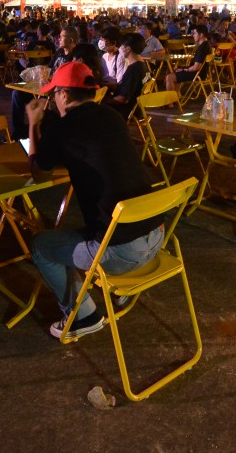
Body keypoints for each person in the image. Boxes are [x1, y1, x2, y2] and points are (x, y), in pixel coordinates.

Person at [26, 61, 165, 340]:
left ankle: (83, 316)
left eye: (54, 94)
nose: (53, 100)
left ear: (64, 95)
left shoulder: (63, 128)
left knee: (42, 246)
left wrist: (33, 124)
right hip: (157, 236)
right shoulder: (112, 116)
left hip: (122, 253)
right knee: (99, 222)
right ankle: (122, 288)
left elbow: (40, 173)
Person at [106, 32, 148, 120]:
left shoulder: (134, 70)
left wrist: (103, 102)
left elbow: (123, 99)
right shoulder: (142, 64)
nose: (120, 48)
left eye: (122, 46)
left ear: (128, 49)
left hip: (125, 110)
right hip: (137, 108)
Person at [165, 24, 211, 94]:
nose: (193, 35)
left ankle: (170, 100)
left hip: (197, 74)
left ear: (201, 35)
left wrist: (184, 69)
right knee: (176, 73)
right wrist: (183, 69)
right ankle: (176, 97)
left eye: (195, 33)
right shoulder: (207, 45)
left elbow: (196, 67)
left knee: (169, 77)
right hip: (202, 73)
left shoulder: (202, 48)